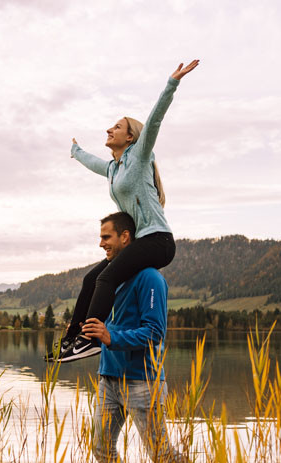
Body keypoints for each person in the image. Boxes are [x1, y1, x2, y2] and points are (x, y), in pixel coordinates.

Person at [81, 211, 219, 463]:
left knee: (162, 455)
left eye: (106, 237)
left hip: (144, 382)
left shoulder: (150, 279)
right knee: (101, 446)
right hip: (108, 380)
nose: (101, 243)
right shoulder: (112, 277)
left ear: (126, 237)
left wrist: (111, 336)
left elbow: (154, 333)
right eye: (100, 237)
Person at [52, 60, 200, 363]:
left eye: (116, 127)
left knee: (106, 278)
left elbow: (155, 120)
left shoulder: (140, 155)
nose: (109, 129)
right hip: (140, 242)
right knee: (90, 280)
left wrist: (172, 83)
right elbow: (91, 161)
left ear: (130, 137)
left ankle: (91, 339)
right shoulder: (111, 169)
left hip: (158, 240)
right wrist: (75, 150)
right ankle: (72, 339)